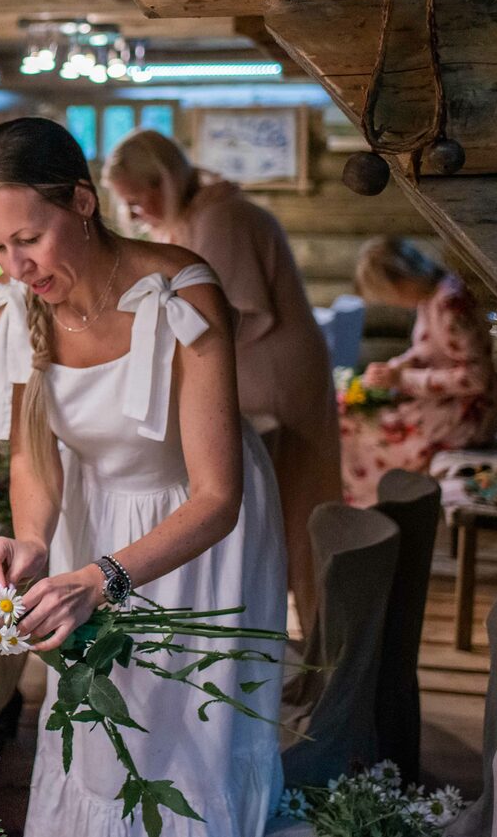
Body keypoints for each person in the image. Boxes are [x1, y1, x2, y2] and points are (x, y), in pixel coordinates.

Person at [0, 117, 284, 837]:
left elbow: (218, 496)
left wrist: (99, 578)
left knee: (187, 743)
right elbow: (33, 454)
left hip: (199, 538)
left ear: (82, 200)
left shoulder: (181, 295)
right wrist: (34, 543)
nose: (16, 267)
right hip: (95, 522)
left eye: (28, 238)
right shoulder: (13, 312)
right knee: (101, 741)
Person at [105, 129, 338, 635]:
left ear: (161, 181)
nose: (135, 212)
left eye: (136, 198)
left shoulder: (222, 218)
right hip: (264, 367)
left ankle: (315, 645)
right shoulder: (196, 218)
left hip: (273, 373)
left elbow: (224, 319)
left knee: (298, 513)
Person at [340, 237, 497, 506]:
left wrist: (403, 378)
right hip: (445, 408)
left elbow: (477, 377)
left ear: (401, 282)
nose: (393, 303)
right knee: (346, 413)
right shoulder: (433, 297)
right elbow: (430, 351)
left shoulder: (450, 305)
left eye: (388, 295)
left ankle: (375, 509)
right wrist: (397, 367)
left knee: (355, 430)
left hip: (467, 418)